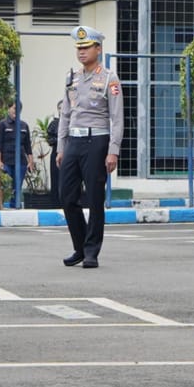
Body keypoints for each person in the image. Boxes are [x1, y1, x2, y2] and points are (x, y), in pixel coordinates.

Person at [56, 24, 122, 269]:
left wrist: (113, 150)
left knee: (94, 199)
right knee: (66, 195)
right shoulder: (71, 77)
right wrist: (62, 147)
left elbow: (117, 117)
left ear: (98, 48)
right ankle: (80, 246)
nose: (81, 52)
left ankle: (91, 251)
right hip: (74, 140)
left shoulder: (109, 79)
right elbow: (65, 113)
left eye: (86, 47)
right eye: (79, 48)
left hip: (97, 141)